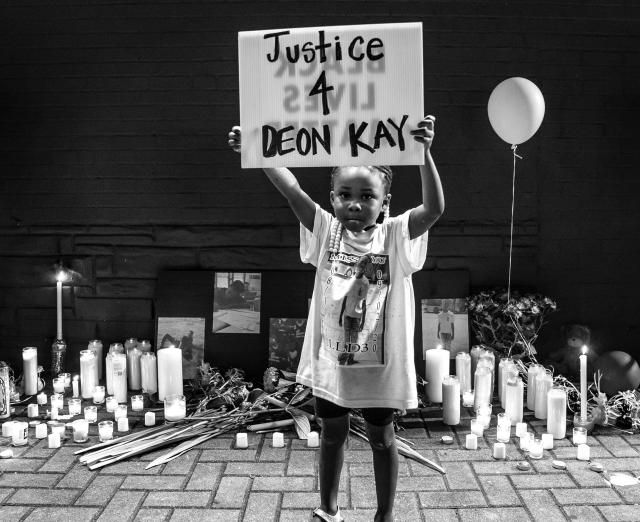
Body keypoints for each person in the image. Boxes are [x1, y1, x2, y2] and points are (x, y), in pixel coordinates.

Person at [228, 115, 444, 522]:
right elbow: (292, 190)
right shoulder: (326, 232)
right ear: (332, 198)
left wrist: (424, 152)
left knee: (382, 439)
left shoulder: (395, 235)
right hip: (334, 363)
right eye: (345, 194)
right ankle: (328, 508)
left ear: (385, 202)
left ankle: (384, 515)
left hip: (379, 369)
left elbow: (434, 209)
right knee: (332, 434)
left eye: (367, 195)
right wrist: (256, 153)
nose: (355, 203)